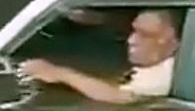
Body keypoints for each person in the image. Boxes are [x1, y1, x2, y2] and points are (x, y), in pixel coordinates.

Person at [19, 8, 182, 104]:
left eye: (145, 35)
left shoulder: (168, 75)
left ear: (171, 39)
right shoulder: (166, 65)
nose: (131, 40)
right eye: (134, 31)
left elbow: (118, 97)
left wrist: (59, 73)